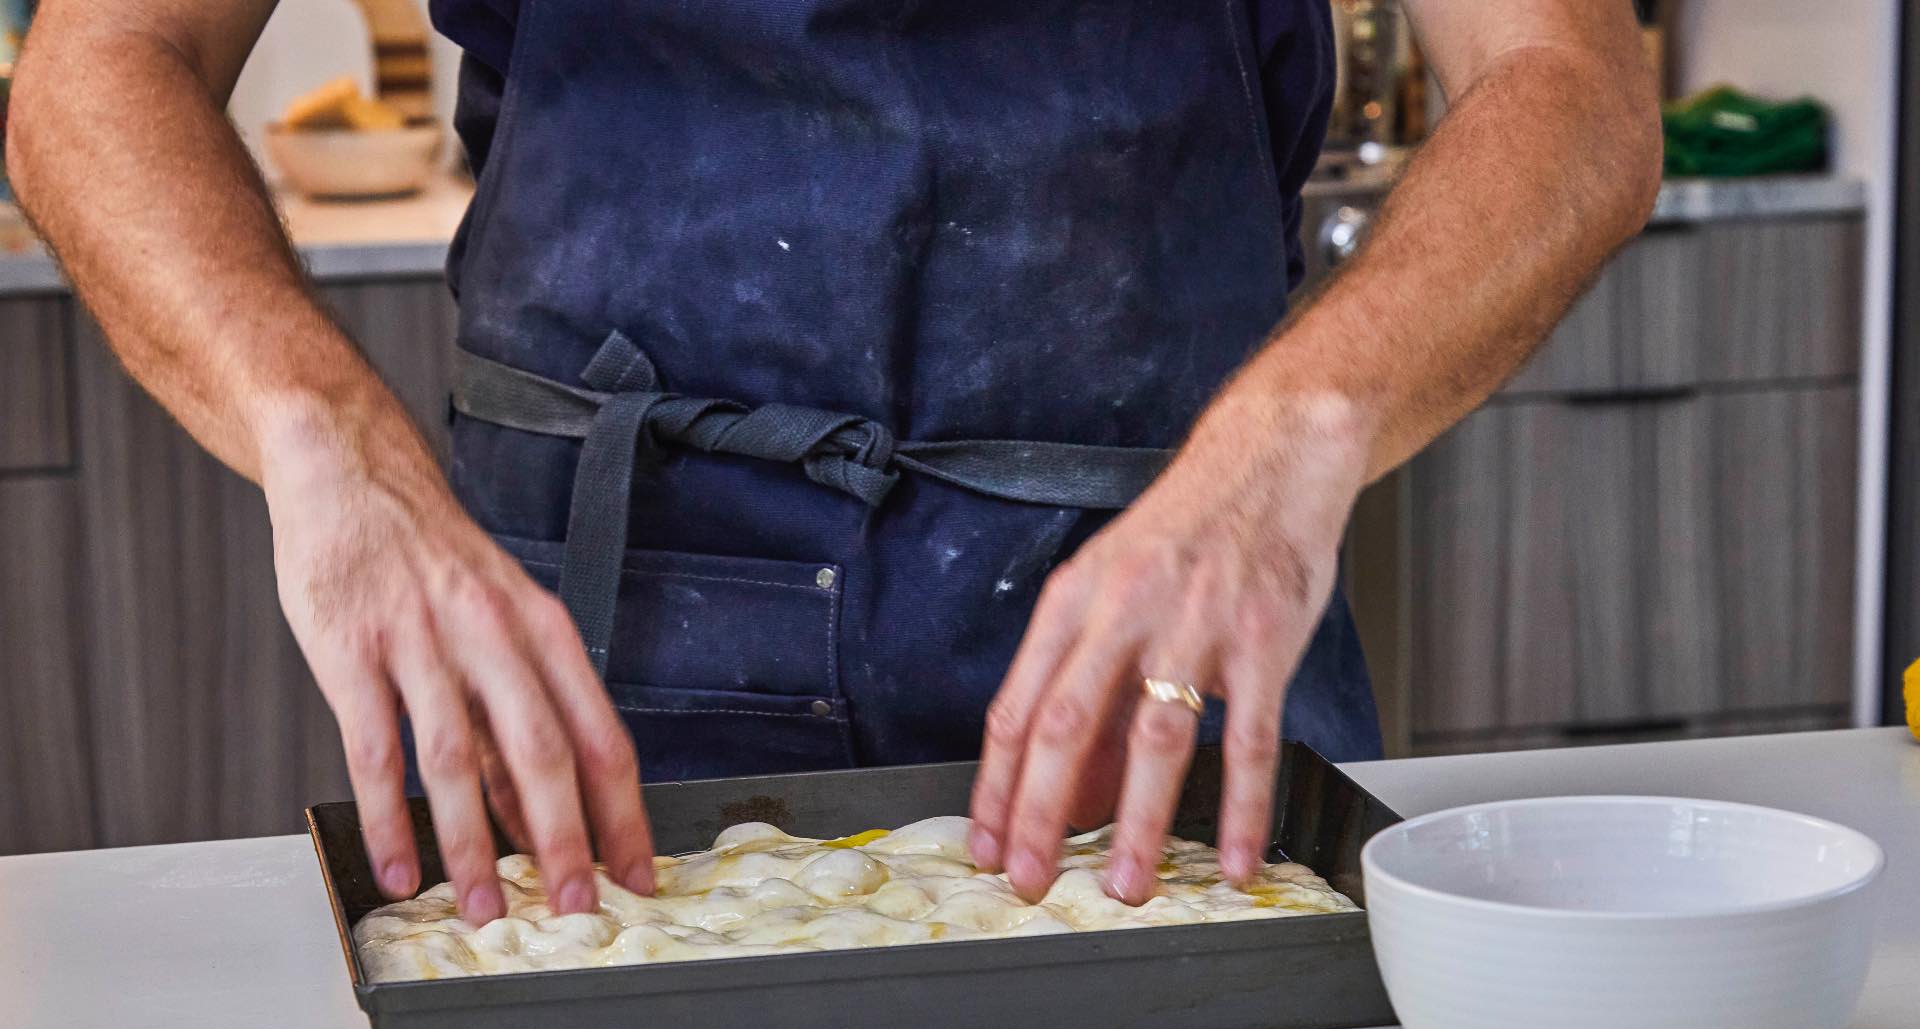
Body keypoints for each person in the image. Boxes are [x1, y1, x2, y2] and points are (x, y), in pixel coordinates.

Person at [8, 1, 1660, 922]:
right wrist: (326, 440)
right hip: (599, 659)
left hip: (1159, 615)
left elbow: (1569, 79)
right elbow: (102, 60)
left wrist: (1301, 433)